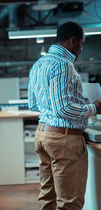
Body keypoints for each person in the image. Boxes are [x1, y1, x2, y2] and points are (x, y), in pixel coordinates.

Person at [28, 21, 101, 210]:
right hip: (64, 140)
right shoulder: (63, 65)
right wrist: (93, 108)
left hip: (43, 135)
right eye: (82, 44)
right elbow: (63, 109)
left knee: (47, 198)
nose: (81, 49)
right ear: (73, 40)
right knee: (70, 202)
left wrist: (74, 102)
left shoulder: (38, 64)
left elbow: (33, 104)